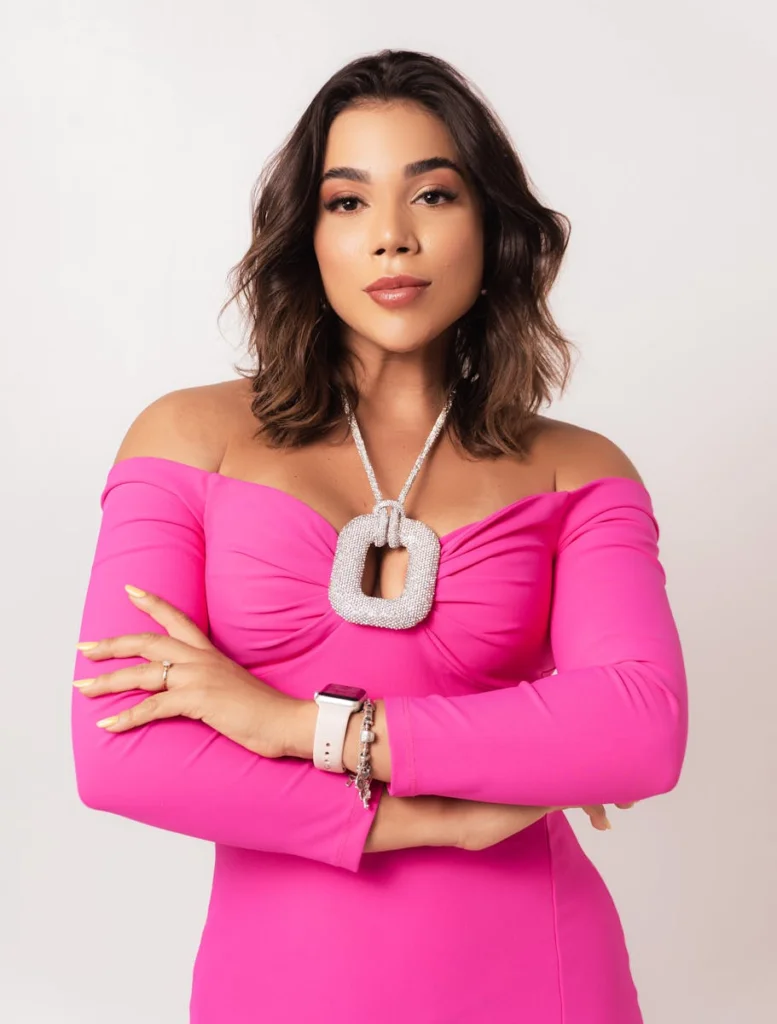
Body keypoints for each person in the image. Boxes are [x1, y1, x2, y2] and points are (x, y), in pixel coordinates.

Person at [71, 48, 688, 1024]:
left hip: (542, 972)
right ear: (304, 236)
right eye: (348, 202)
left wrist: (289, 725)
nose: (392, 238)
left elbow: (639, 730)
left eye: (434, 196)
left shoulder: (581, 467)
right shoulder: (189, 439)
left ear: (492, 227)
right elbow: (120, 752)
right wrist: (427, 815)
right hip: (279, 982)